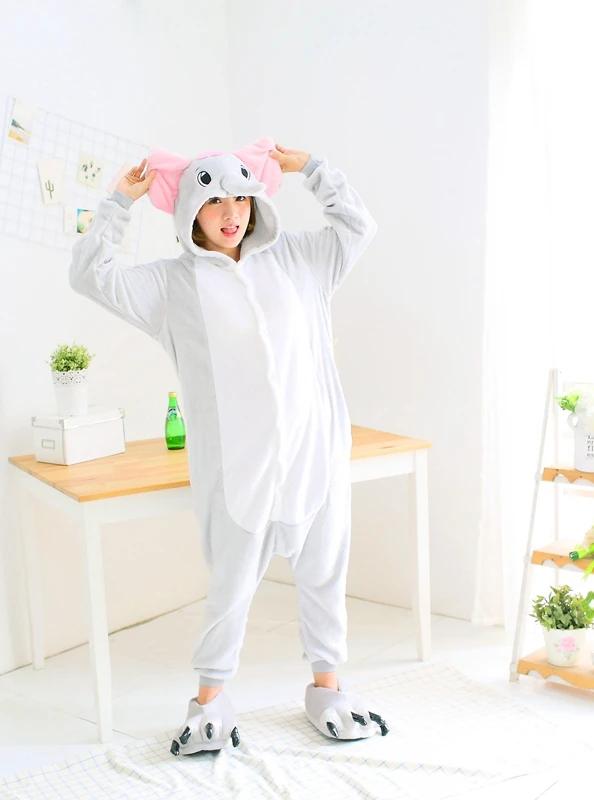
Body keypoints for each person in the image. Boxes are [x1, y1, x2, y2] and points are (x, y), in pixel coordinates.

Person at [69, 137, 388, 756]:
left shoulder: (299, 258)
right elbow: (89, 276)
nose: (231, 212)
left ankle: (329, 690)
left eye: (241, 197)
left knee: (325, 573)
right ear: (190, 211)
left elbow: (358, 225)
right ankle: (210, 703)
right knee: (231, 589)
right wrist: (118, 203)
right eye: (214, 200)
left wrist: (313, 169)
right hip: (240, 469)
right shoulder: (172, 284)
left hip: (313, 452)